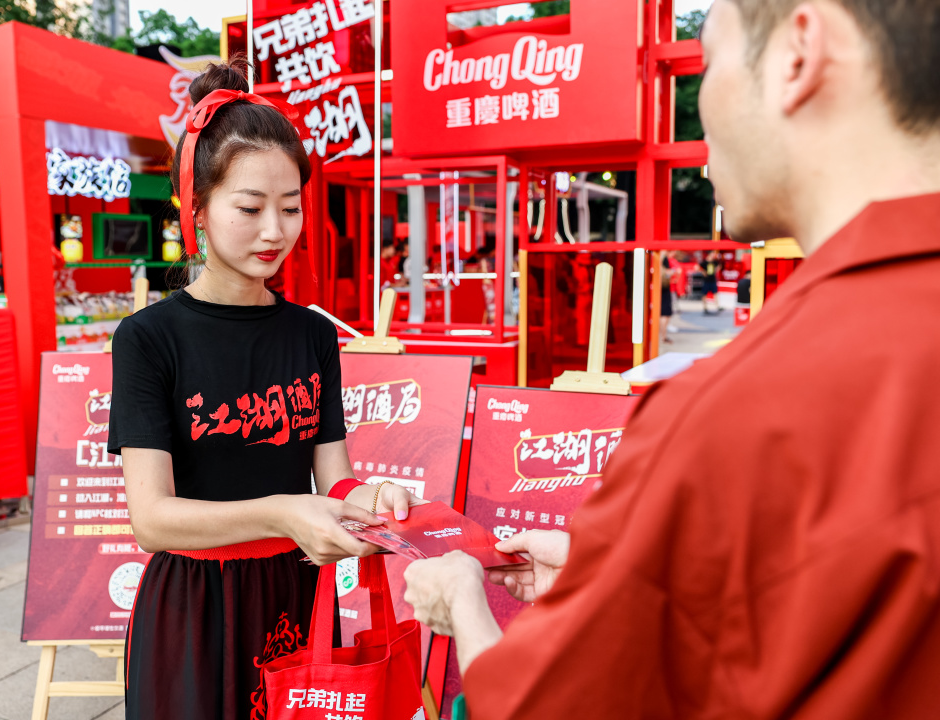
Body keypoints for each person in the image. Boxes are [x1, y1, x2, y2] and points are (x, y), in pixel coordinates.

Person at [404, 0, 940, 717]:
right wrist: (624, 570)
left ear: (798, 53)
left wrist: (463, 601)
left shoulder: (735, 412)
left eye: (711, 60)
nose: (701, 116)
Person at [107, 60, 419, 720]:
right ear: (196, 205)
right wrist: (283, 512)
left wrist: (372, 497)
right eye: (250, 208)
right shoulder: (148, 338)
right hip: (192, 607)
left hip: (294, 599)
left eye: (291, 207)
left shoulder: (312, 334)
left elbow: (334, 479)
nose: (275, 230)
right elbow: (152, 518)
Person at [701, 248, 723, 314]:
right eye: (713, 253)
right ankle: (705, 307)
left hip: (713, 280)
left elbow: (719, 266)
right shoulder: (704, 262)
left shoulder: (715, 262)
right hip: (706, 280)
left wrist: (716, 270)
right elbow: (697, 267)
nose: (714, 255)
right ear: (710, 254)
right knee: (704, 294)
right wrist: (703, 272)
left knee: (715, 293)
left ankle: (717, 306)